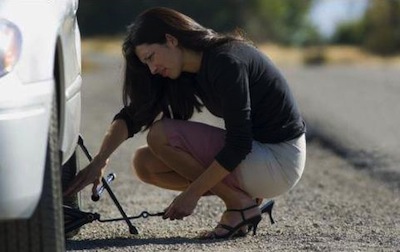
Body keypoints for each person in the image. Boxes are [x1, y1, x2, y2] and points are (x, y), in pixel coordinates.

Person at [64, 7, 306, 239]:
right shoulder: (185, 71)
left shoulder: (226, 61)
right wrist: (99, 161)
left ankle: (239, 205)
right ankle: (242, 200)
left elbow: (239, 144)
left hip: (279, 159)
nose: (152, 68)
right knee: (144, 163)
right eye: (146, 63)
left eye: (151, 57)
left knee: (160, 135)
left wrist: (192, 194)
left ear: (171, 40)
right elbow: (133, 115)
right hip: (261, 160)